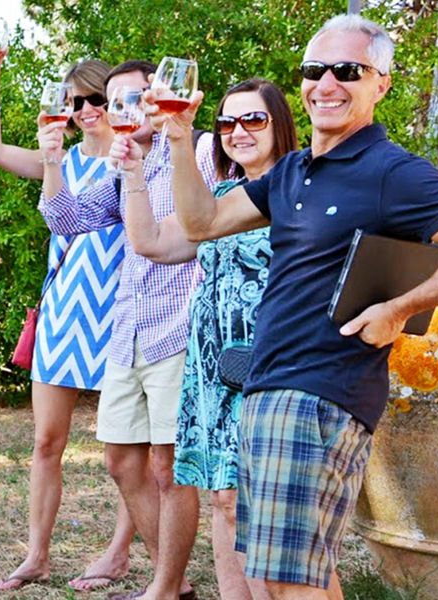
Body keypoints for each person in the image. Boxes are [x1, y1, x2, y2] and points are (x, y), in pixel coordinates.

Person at [152, 14, 438, 600]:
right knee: (279, 577)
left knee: (290, 583)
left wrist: (397, 308)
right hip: (267, 388)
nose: (328, 84)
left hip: (321, 393)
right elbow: (201, 221)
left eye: (349, 70)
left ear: (381, 84)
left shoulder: (393, 172)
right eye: (316, 71)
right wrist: (181, 138)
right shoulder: (292, 171)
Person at [39, 59, 219, 600]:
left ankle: (165, 589)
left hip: (180, 325)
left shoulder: (204, 149)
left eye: (135, 98)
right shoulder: (125, 163)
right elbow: (68, 219)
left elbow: (227, 214)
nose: (124, 111)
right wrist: (52, 161)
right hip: (130, 327)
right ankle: (175, 582)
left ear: (158, 95)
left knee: (168, 466)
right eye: (115, 102)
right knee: (122, 461)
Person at [123, 78, 297, 600]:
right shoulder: (219, 198)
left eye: (253, 120)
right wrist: (132, 172)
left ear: (280, 126)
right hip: (213, 368)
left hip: (270, 366)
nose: (238, 131)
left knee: (258, 508)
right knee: (222, 497)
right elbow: (150, 242)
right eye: (227, 122)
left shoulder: (300, 191)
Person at [0, 47, 136, 593]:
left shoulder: (137, 155)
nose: (88, 110)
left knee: (127, 449)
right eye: (77, 103)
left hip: (124, 311)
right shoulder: (60, 162)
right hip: (65, 311)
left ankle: (118, 553)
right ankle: (36, 556)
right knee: (46, 441)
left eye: (96, 99)